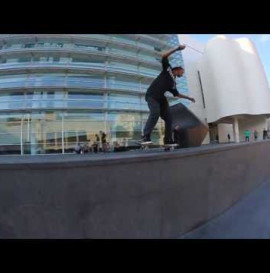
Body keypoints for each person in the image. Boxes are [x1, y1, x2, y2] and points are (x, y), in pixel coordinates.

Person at [140, 44, 195, 145]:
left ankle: (168, 140)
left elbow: (177, 94)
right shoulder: (168, 69)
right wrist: (177, 49)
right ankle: (146, 136)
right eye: (181, 73)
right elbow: (164, 56)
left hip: (161, 99)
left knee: (169, 118)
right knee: (155, 112)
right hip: (152, 95)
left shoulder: (173, 83)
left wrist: (189, 98)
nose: (182, 75)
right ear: (177, 70)